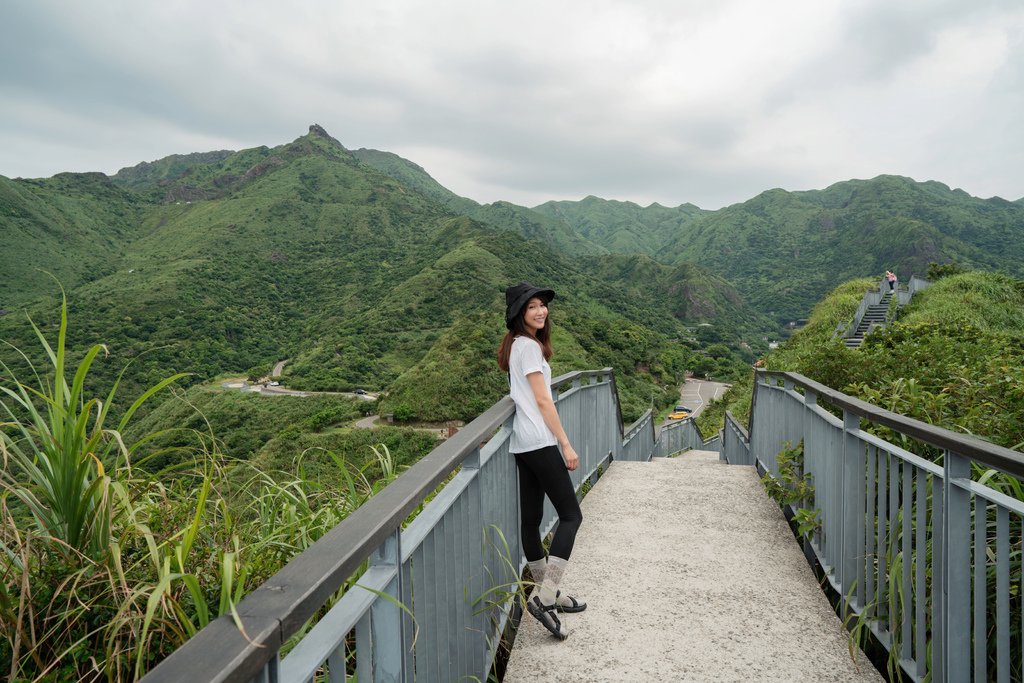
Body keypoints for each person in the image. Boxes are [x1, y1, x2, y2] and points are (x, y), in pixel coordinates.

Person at [497, 282, 586, 640]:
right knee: (571, 515)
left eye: (541, 306)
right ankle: (546, 596)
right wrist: (565, 444)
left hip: (523, 443)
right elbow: (543, 401)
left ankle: (547, 593)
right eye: (531, 306)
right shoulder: (530, 348)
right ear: (519, 313)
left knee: (531, 522)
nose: (539, 311)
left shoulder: (517, 346)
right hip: (540, 441)